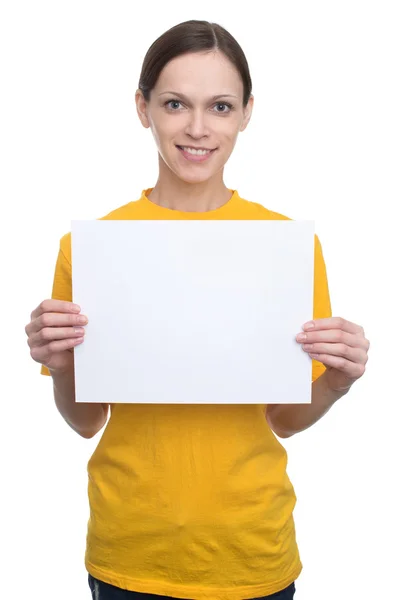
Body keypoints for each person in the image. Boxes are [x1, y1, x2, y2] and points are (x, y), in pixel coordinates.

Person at [25, 20, 370, 600]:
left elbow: (281, 418)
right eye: (176, 103)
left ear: (247, 113)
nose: (197, 128)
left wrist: (336, 381)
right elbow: (86, 422)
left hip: (251, 550)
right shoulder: (91, 248)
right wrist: (61, 364)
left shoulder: (284, 245)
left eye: (221, 106)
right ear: (143, 108)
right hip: (129, 548)